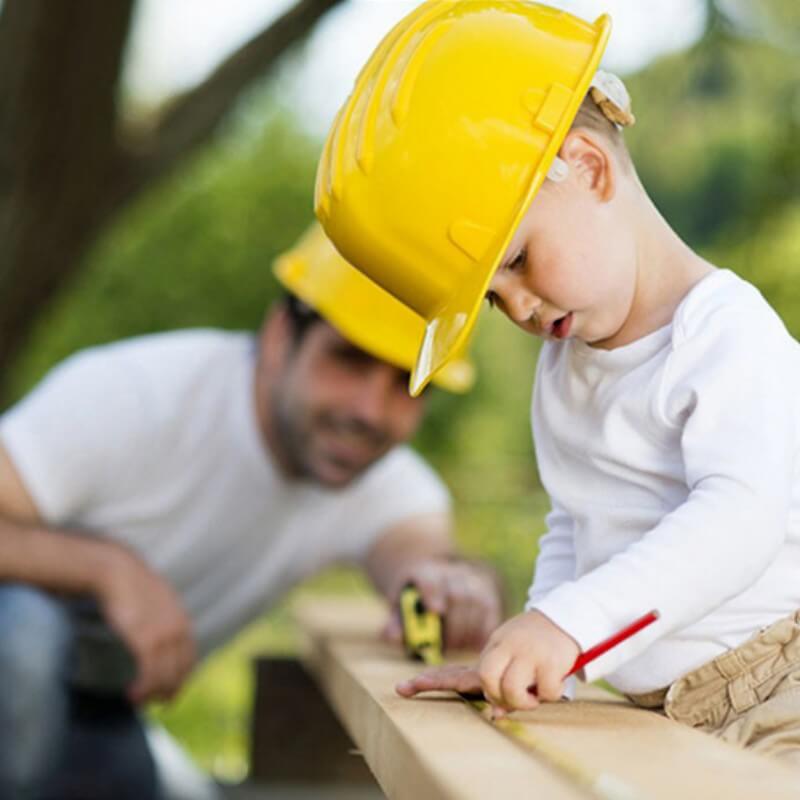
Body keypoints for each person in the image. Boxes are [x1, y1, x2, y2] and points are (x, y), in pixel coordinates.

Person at [315, 0, 800, 767]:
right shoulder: (566, 369)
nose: (520, 308)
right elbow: (575, 523)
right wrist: (540, 653)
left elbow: (740, 519)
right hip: (670, 709)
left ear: (588, 166)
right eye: (492, 301)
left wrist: (571, 625)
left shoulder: (723, 335)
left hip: (781, 687)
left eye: (513, 263)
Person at [0, 221, 503, 800]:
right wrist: (108, 568)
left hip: (99, 719)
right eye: (348, 360)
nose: (372, 409)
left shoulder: (380, 478)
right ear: (278, 337)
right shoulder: (135, 395)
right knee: (21, 636)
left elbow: (425, 559)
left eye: (411, 384)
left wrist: (454, 585)